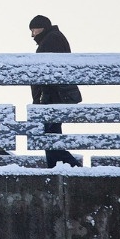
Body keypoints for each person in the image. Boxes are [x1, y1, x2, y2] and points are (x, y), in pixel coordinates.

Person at [29, 15, 81, 168]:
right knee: (51, 139)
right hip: (54, 97)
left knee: (50, 139)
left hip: (53, 98)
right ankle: (58, 170)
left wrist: (41, 97)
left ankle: (73, 170)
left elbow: (47, 71)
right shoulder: (53, 38)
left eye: (33, 30)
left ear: (41, 27)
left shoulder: (52, 39)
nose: (32, 35)